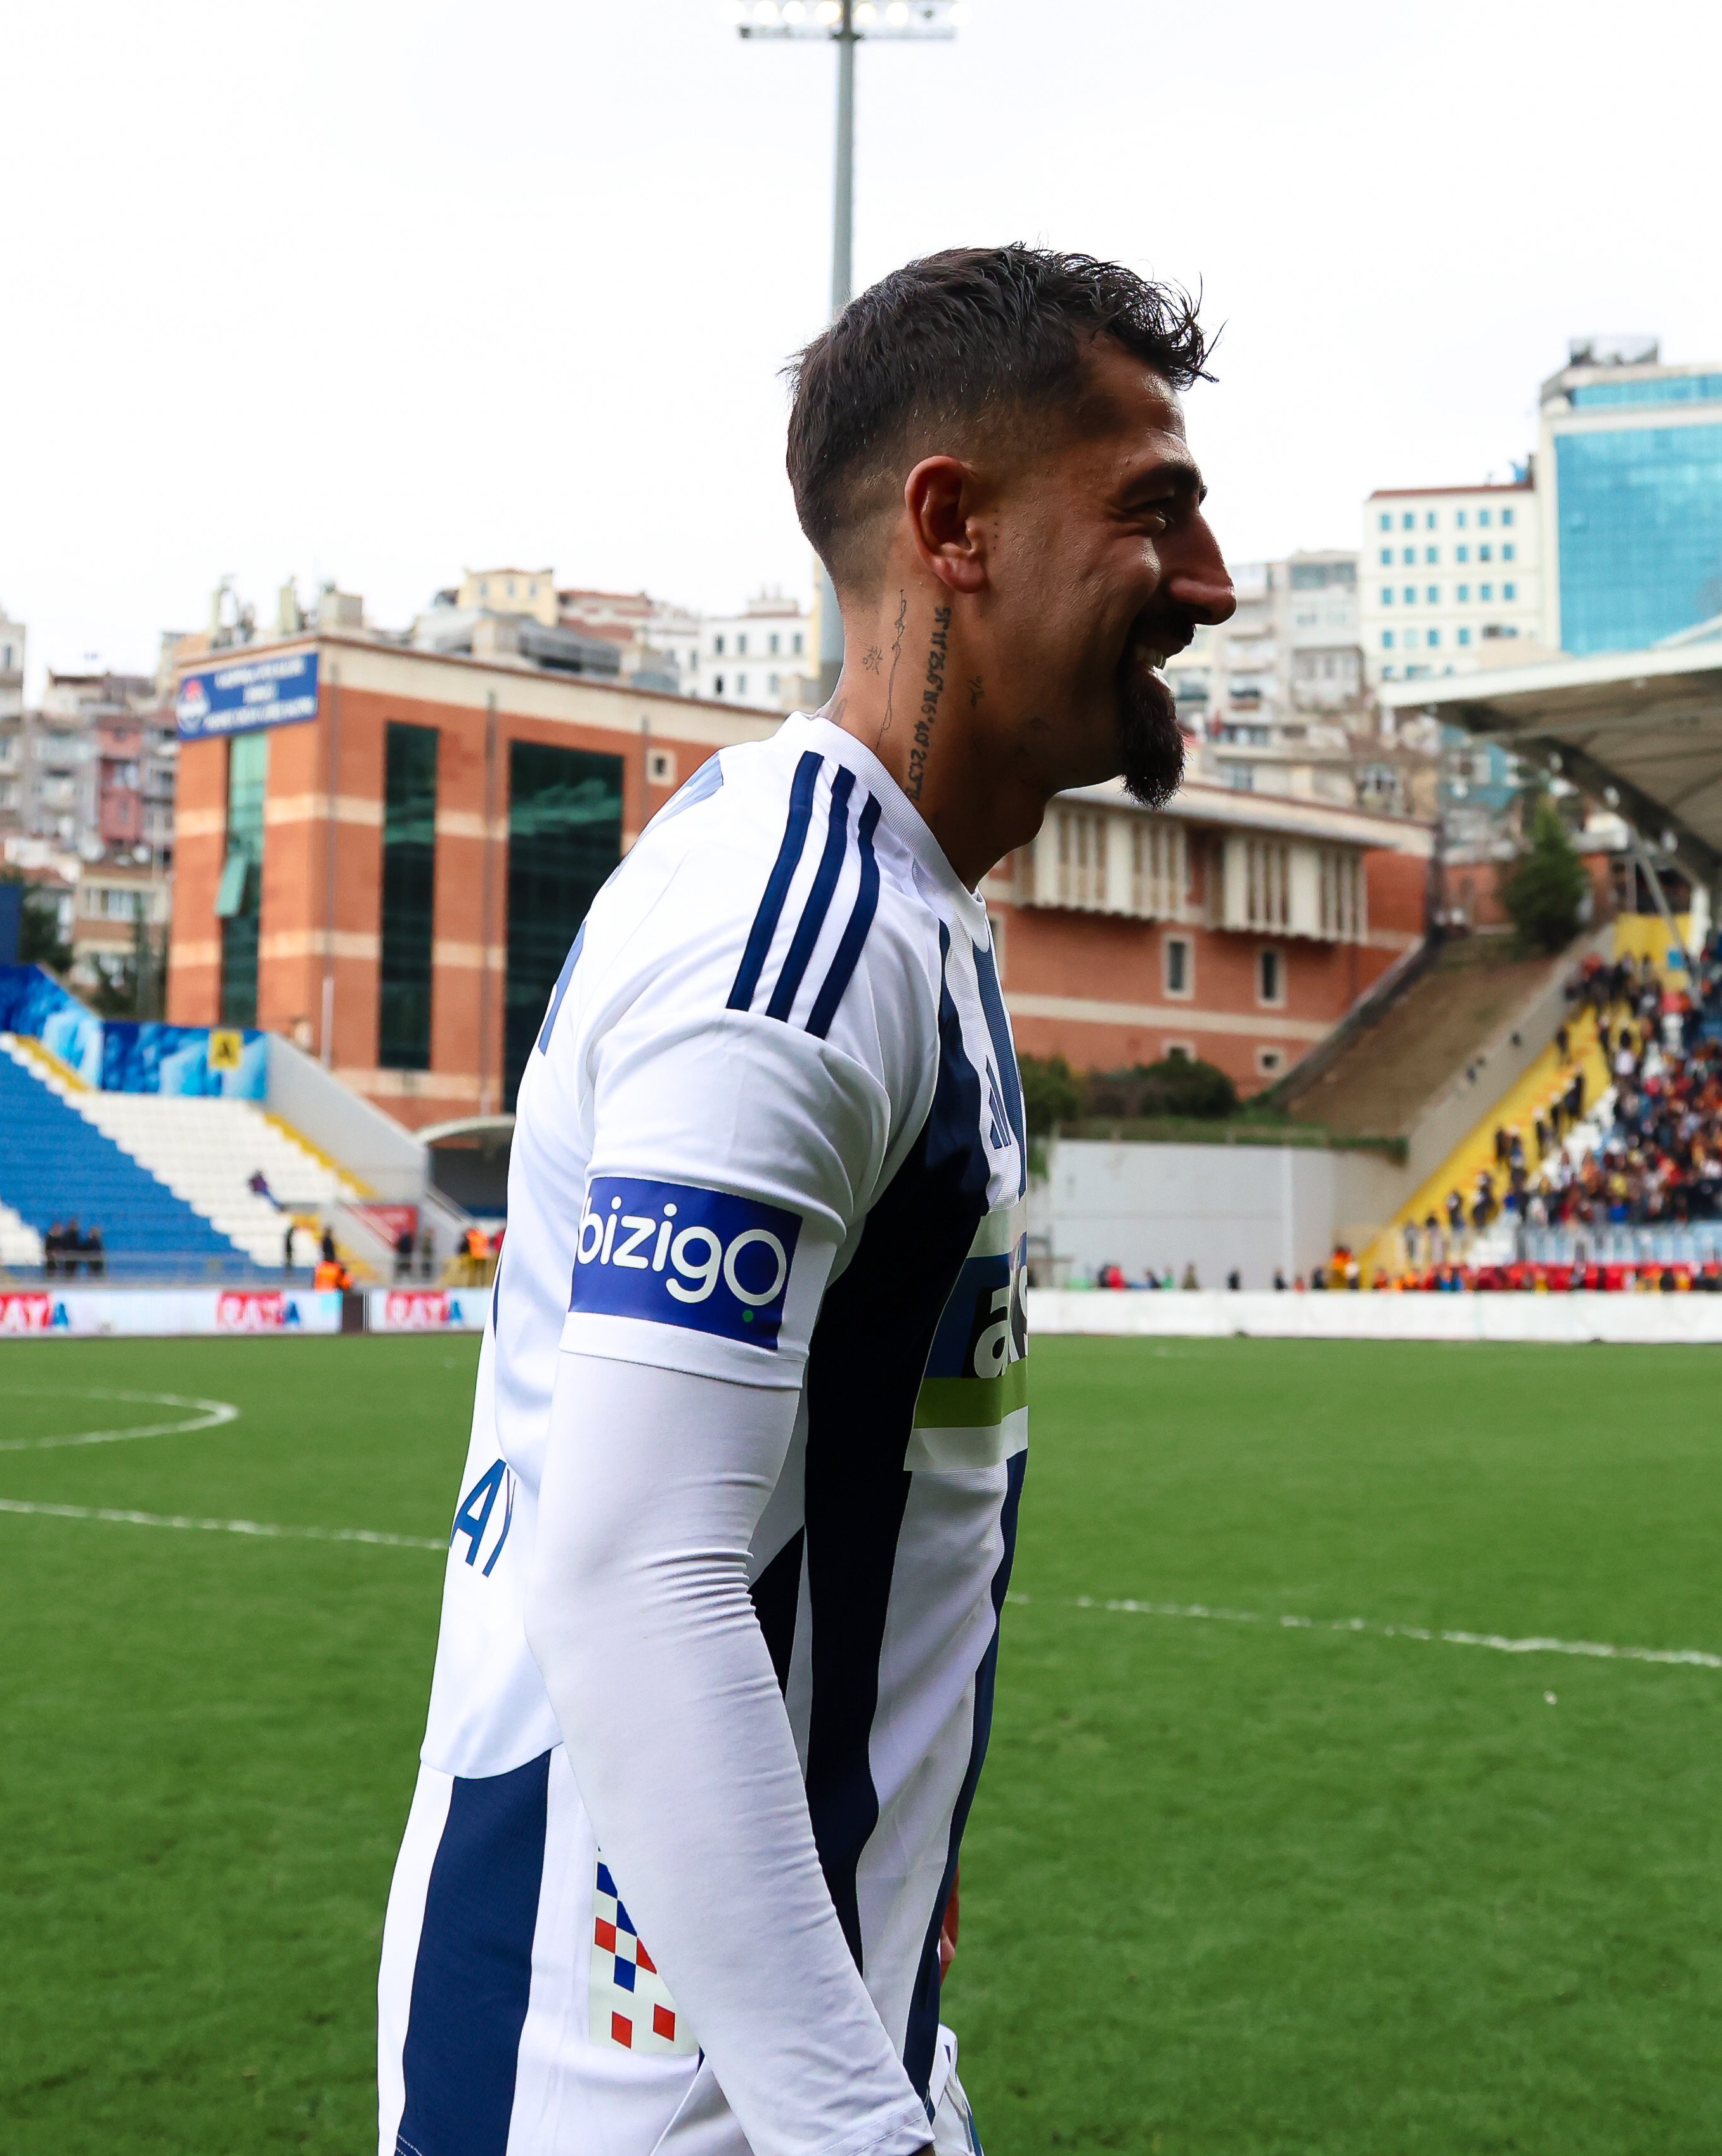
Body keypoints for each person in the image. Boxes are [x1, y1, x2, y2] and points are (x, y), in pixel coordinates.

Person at [380, 246, 1227, 2156]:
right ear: (955, 527)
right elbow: (634, 1573)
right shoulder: (796, 941)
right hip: (628, 2101)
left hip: (788, 2064)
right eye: (1153, 508)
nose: (1210, 581)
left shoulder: (902, 912)